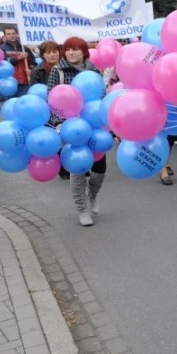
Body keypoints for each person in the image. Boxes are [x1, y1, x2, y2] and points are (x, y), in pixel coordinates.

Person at [47, 37, 106, 227]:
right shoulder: (59, 71)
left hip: (94, 126)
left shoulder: (93, 70)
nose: (71, 53)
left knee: (99, 168)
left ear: (84, 52)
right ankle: (82, 210)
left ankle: (93, 196)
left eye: (75, 49)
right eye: (68, 49)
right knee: (77, 168)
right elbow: (52, 99)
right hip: (70, 126)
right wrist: (58, 123)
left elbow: (102, 97)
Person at [0, 27, 35, 97]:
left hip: (25, 82)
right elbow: (3, 64)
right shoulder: (2, 48)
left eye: (13, 33)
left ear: (17, 34)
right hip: (9, 82)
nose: (11, 35)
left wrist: (31, 69)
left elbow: (33, 63)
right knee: (11, 104)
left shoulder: (25, 48)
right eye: (9, 34)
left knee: (23, 103)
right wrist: (19, 57)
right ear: (5, 36)